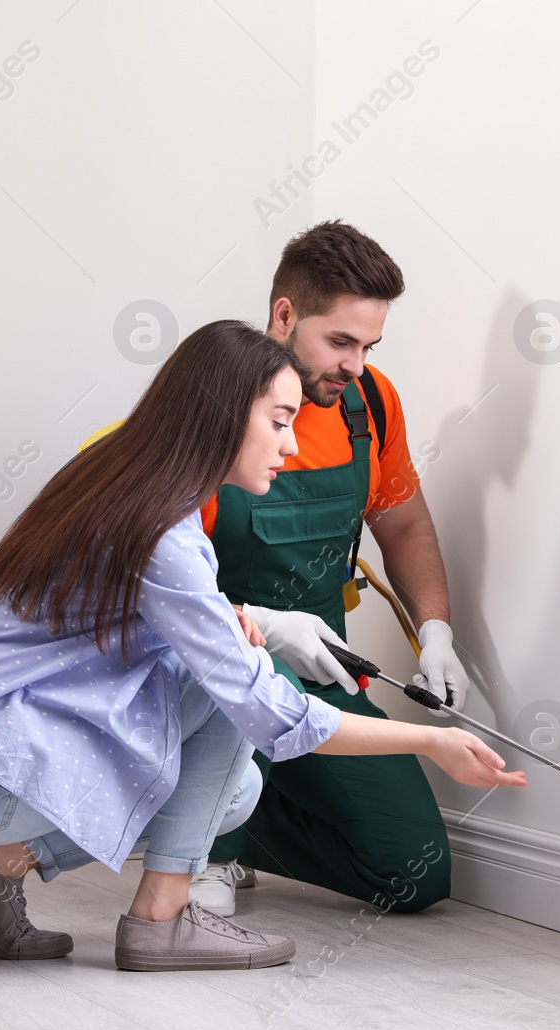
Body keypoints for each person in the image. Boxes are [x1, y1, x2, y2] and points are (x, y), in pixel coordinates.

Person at [0, 320, 525, 971]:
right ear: (224, 414)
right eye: (279, 420)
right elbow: (274, 711)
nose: (291, 440)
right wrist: (433, 739)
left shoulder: (133, 484)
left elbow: (110, 618)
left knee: (238, 789)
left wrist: (241, 616)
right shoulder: (168, 529)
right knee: (239, 694)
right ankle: (157, 917)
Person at [187, 222, 471, 919]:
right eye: (340, 341)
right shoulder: (207, 408)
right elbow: (151, 590)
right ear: (284, 315)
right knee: (222, 720)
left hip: (322, 674)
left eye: (368, 345)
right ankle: (201, 838)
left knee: (416, 871)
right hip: (213, 684)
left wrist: (436, 632)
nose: (355, 362)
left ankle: (243, 824)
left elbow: (403, 524)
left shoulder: (368, 404)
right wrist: (261, 628)